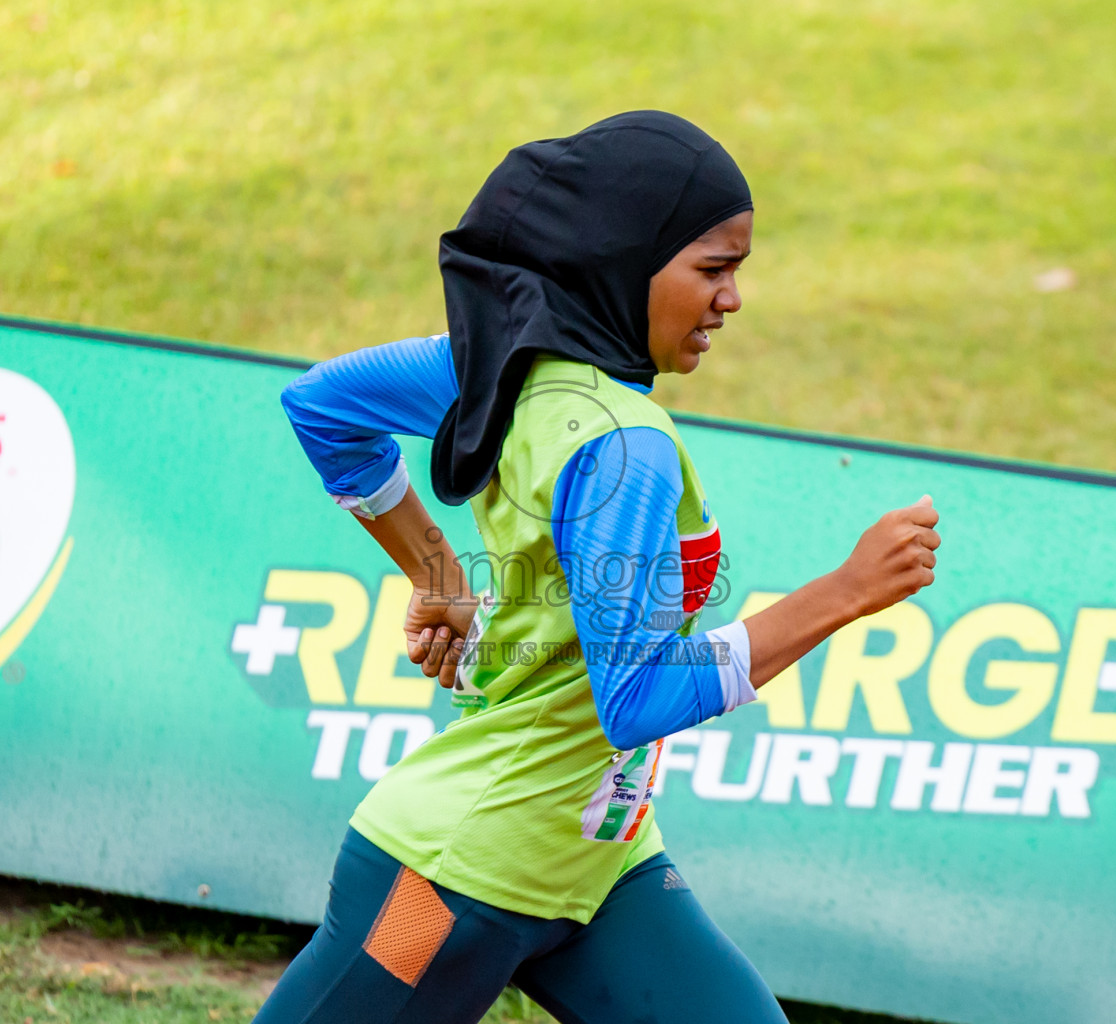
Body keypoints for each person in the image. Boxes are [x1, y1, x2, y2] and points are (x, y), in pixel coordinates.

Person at [255, 110, 940, 1024]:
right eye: (714, 269)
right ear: (628, 262)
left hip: (601, 864)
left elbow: (326, 407)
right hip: (457, 876)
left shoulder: (504, 369)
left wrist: (444, 580)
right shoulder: (625, 446)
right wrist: (843, 594)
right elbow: (638, 698)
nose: (733, 300)